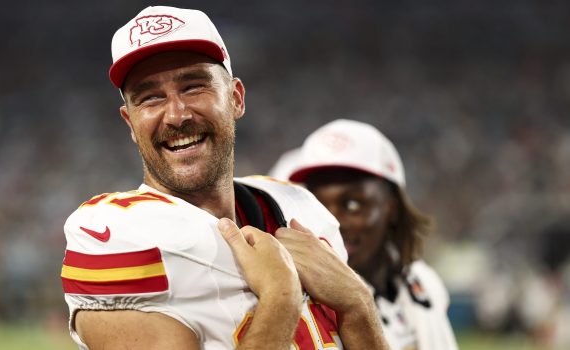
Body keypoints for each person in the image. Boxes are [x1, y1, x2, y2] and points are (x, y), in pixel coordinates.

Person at [60, 6, 388, 350]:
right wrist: (280, 297)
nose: (177, 115)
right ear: (130, 122)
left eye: (193, 87)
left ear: (236, 98)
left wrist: (359, 304)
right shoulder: (117, 236)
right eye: (151, 97)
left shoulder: (304, 211)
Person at [282, 119, 459, 350]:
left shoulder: (423, 282)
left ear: (392, 207)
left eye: (353, 204)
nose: (331, 222)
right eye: (316, 204)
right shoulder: (297, 303)